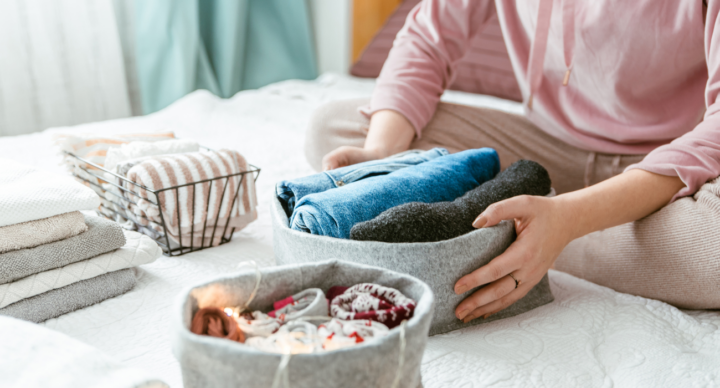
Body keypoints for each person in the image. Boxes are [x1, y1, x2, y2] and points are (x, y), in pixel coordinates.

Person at [306, 0, 720, 321]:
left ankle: (544, 236)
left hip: (671, 168)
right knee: (337, 128)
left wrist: (572, 217)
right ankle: (541, 230)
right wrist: (381, 155)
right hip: (544, 145)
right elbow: (428, 38)